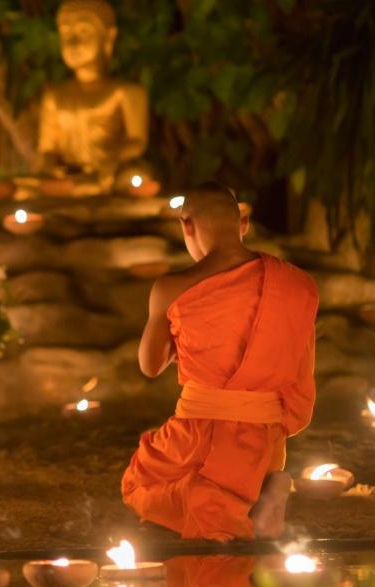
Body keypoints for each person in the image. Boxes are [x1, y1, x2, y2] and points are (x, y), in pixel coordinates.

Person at [121, 181, 318, 541]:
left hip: (199, 431)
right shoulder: (296, 284)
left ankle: (221, 501)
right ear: (243, 223)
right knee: (224, 498)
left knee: (142, 483)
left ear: (187, 226)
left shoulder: (173, 286)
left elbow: (149, 366)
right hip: (266, 440)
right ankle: (262, 490)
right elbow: (299, 370)